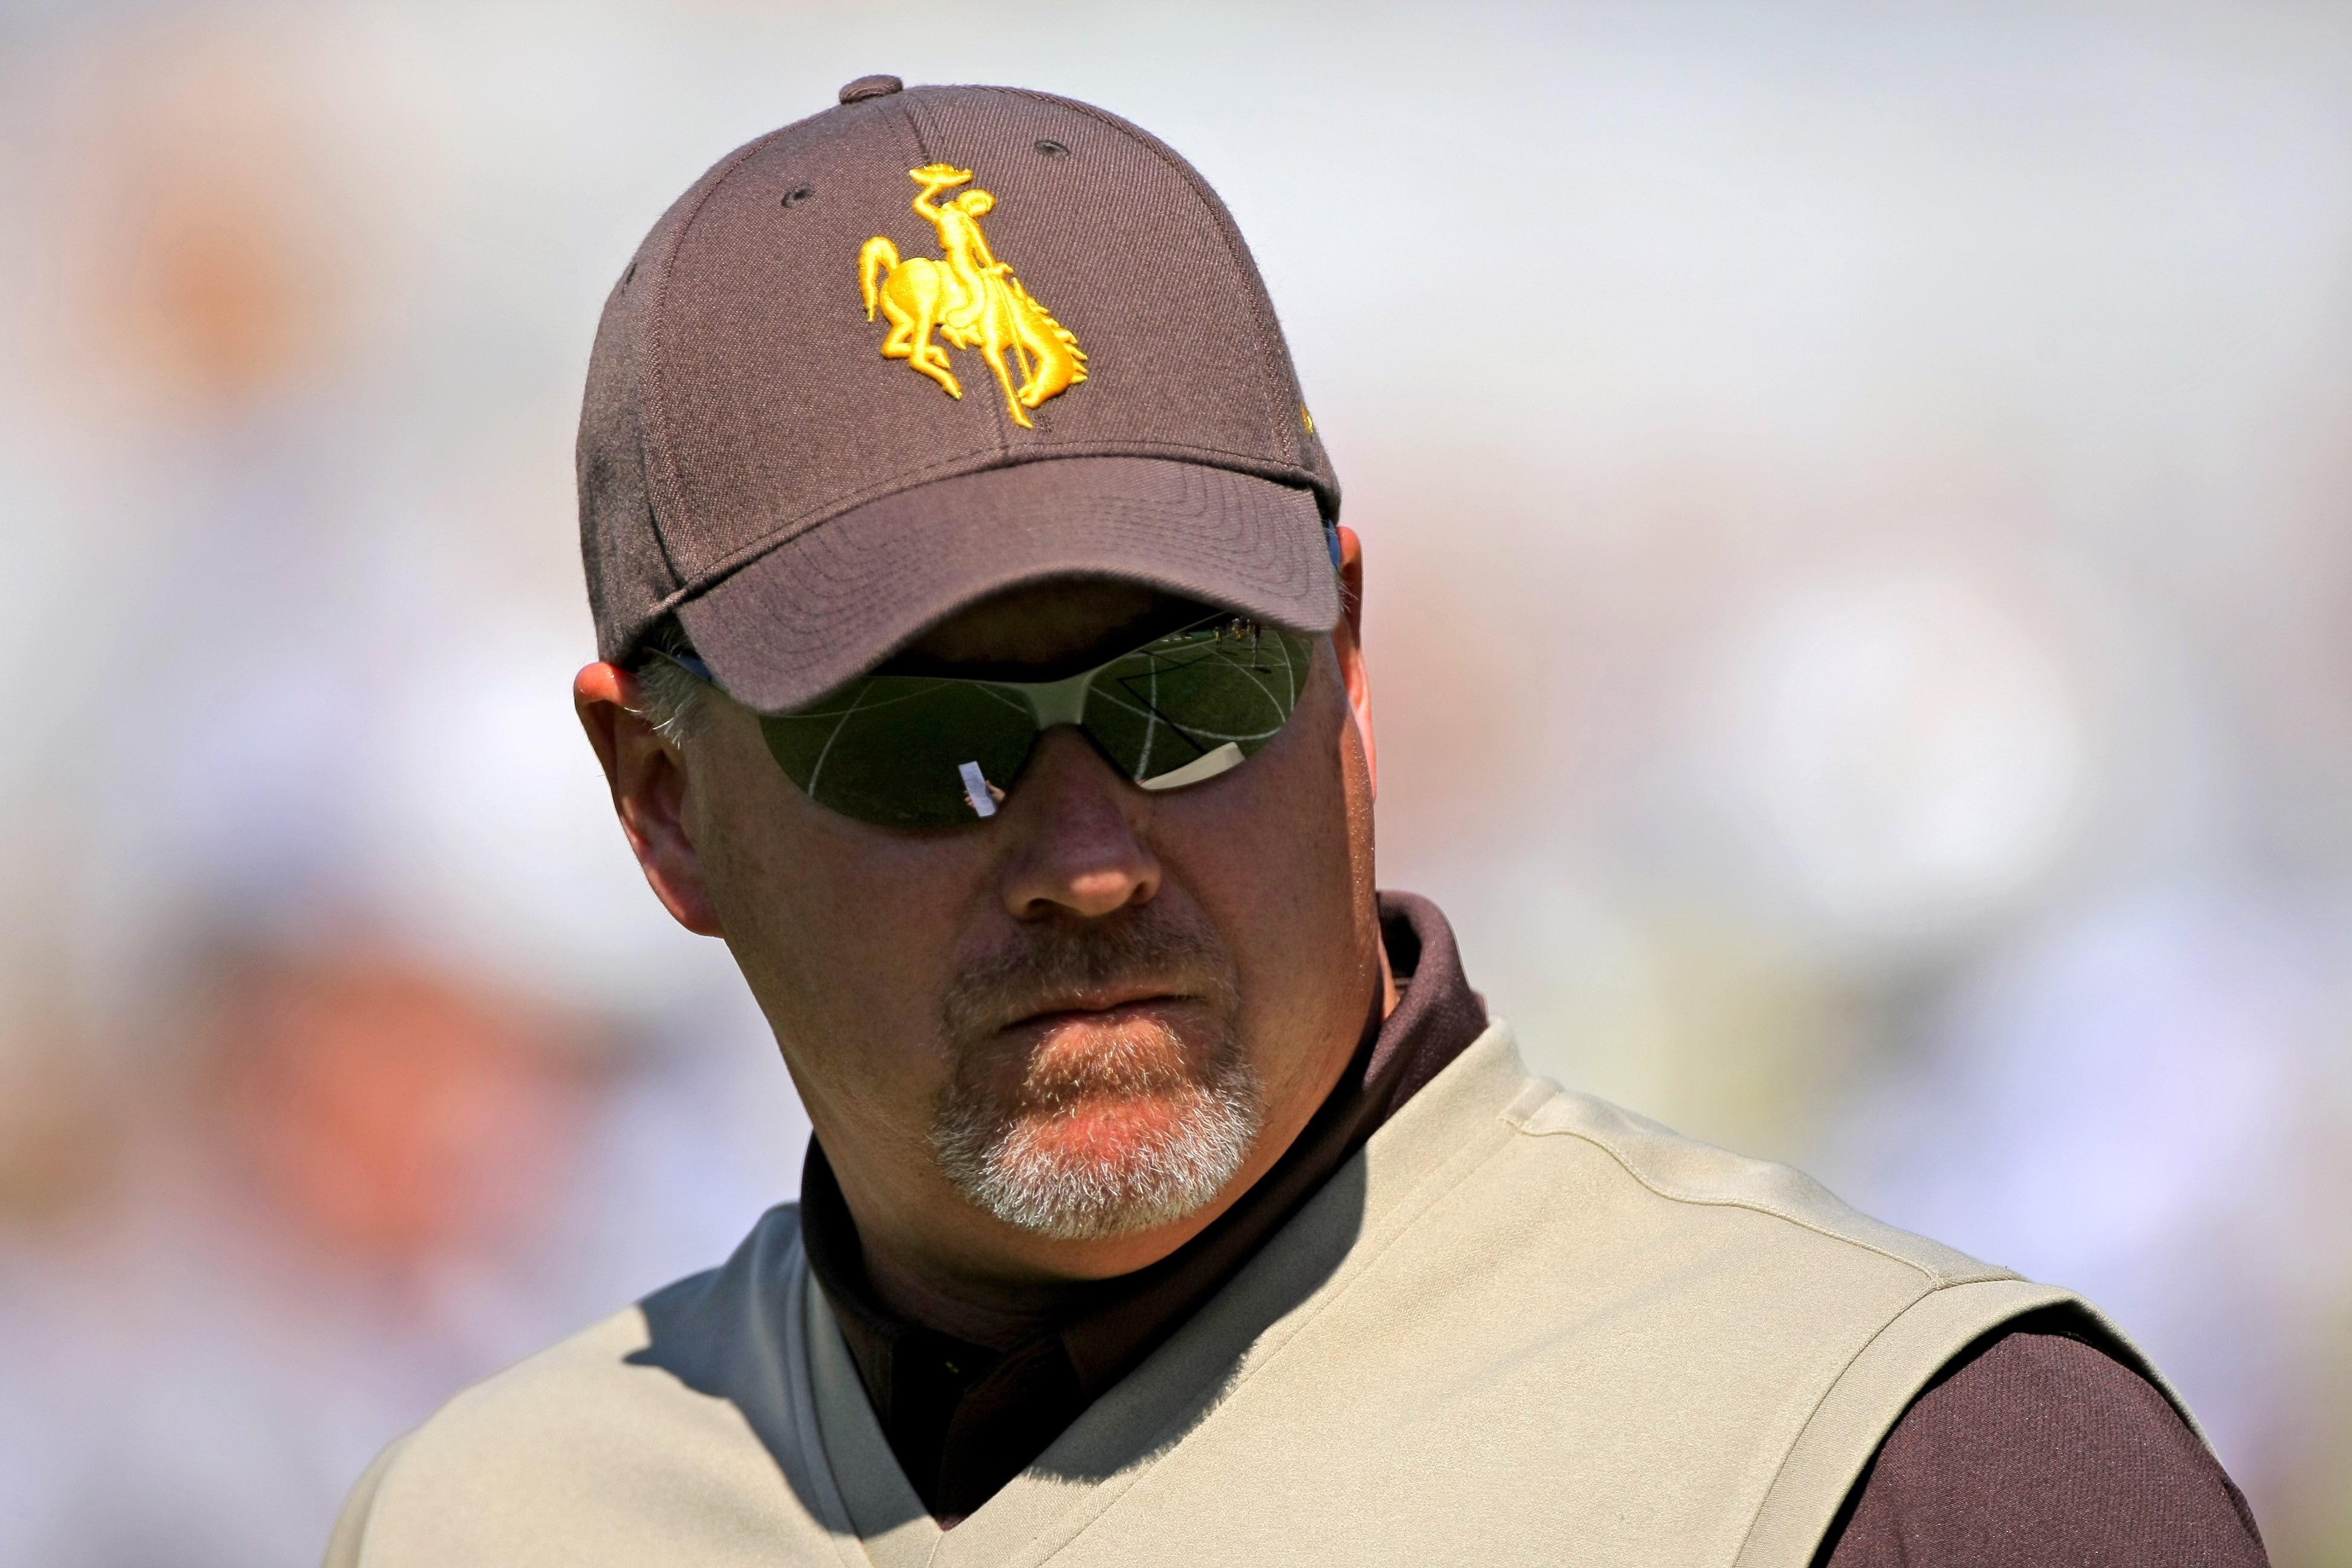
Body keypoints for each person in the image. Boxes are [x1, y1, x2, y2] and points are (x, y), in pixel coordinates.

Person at [326, 77, 2267, 1566]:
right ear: (662, 809)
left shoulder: (1900, 1470)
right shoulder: (484, 1520)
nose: (1091, 858)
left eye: (1191, 696)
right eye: (935, 747)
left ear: (1346, 664)